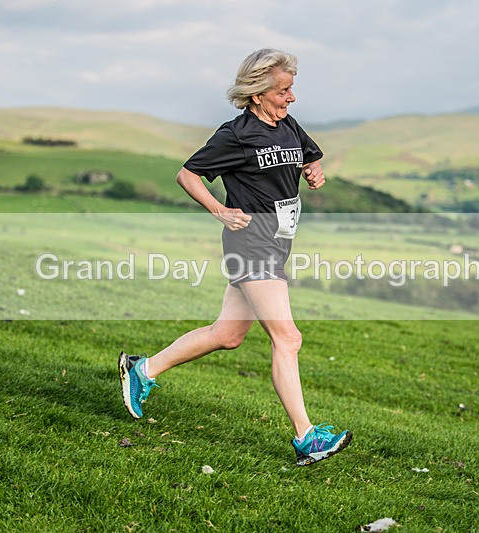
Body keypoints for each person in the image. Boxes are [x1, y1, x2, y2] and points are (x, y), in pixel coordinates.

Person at [119, 48, 351, 467]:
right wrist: (219, 210)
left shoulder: (289, 126)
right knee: (288, 338)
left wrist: (315, 171)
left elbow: (310, 158)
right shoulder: (236, 134)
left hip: (278, 244)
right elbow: (187, 174)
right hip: (250, 247)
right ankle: (306, 438)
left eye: (291, 89)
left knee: (228, 335)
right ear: (258, 92)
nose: (291, 98)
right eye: (283, 91)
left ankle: (143, 370)